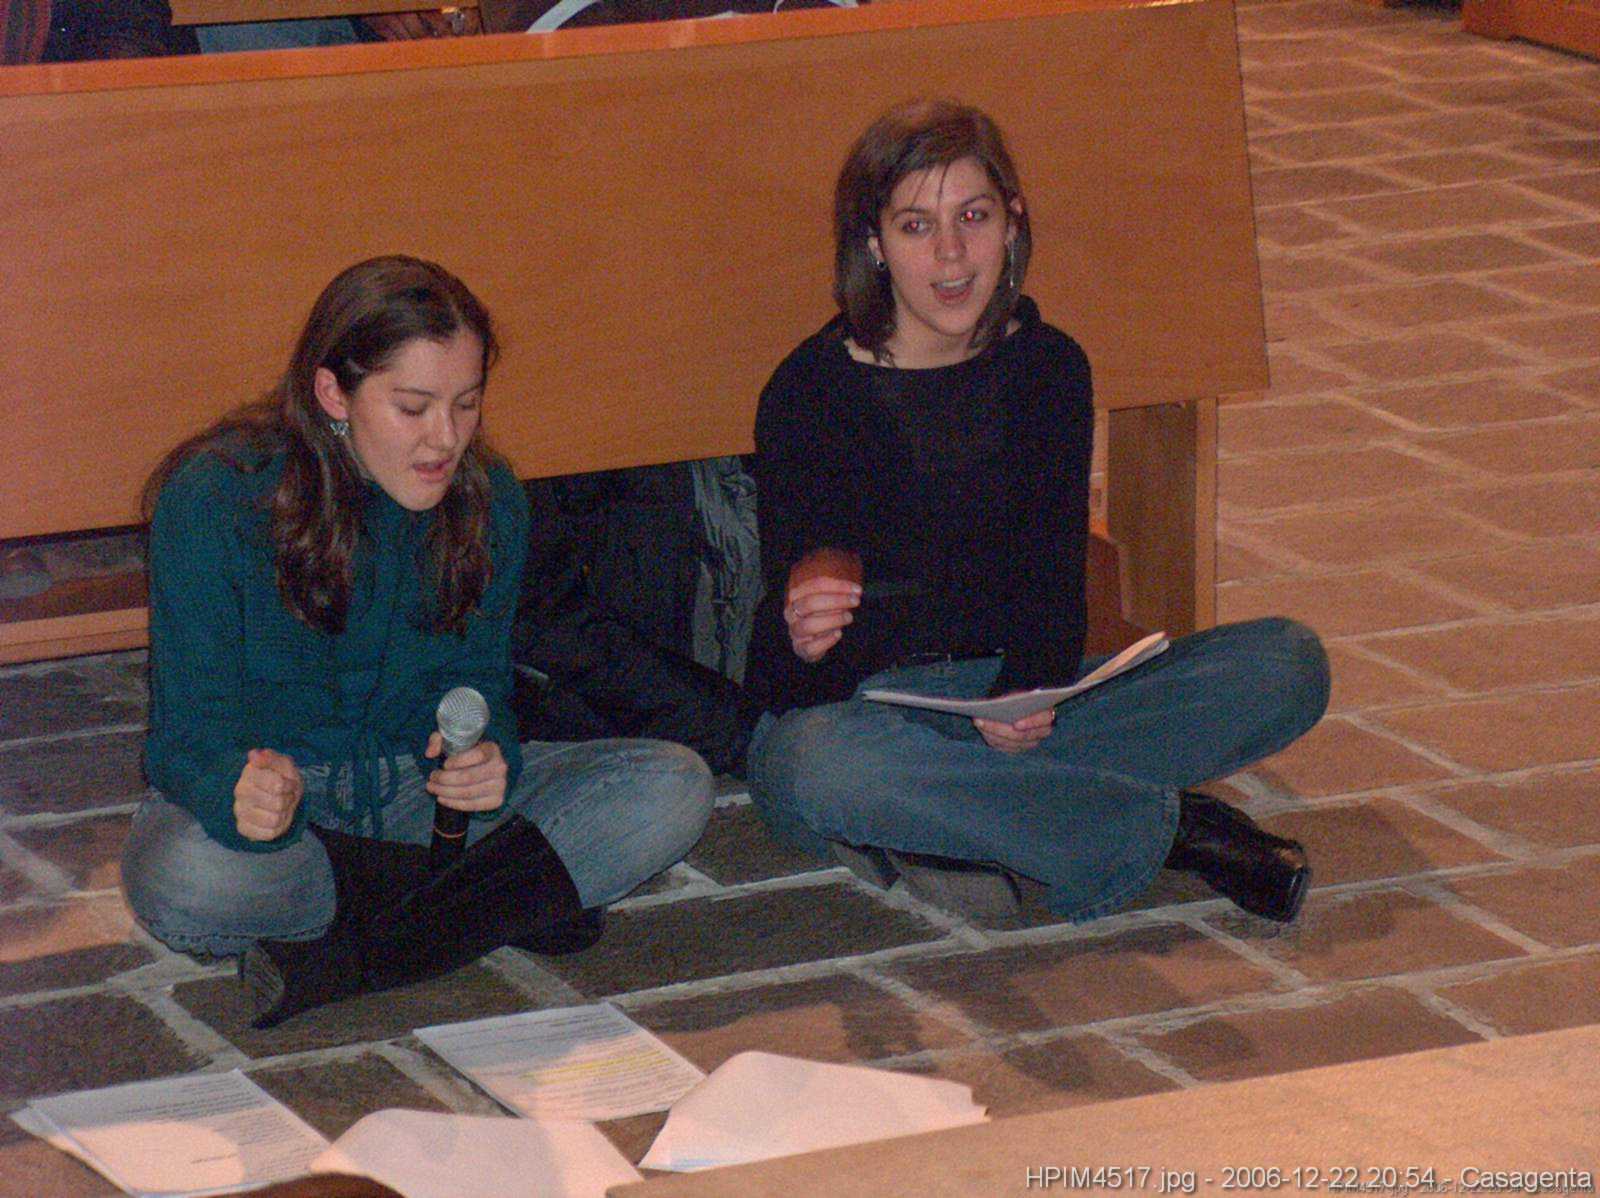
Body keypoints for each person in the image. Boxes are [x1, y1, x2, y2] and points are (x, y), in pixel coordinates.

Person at [743, 99, 1329, 926]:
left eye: (973, 217)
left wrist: (1026, 690)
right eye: (916, 226)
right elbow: (785, 665)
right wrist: (804, 626)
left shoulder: (1048, 368)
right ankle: (1172, 832)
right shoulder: (811, 391)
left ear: (1012, 222)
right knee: (816, 767)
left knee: (1286, 664)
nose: (951, 254)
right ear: (873, 244)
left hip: (1012, 708)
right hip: (868, 713)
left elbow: (1052, 582)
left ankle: (978, 826)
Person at [121, 256, 712, 1025]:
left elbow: (479, 689)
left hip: (417, 801)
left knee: (672, 785)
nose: (446, 439)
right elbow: (182, 741)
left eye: (467, 405)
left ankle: (361, 953)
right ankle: (502, 900)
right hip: (286, 823)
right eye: (413, 407)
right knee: (185, 878)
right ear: (333, 393)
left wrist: (488, 755)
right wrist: (231, 789)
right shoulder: (215, 499)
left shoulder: (491, 501)